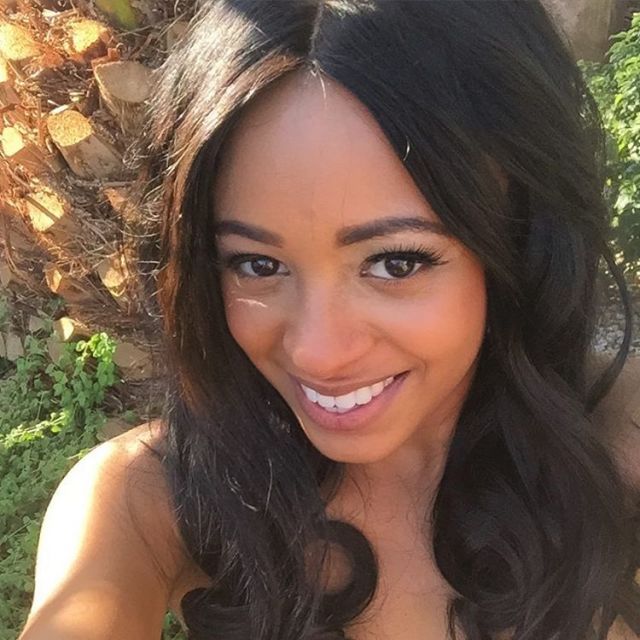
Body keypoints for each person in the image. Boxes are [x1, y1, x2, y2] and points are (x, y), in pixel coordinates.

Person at [18, 1, 640, 639]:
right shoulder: (154, 499)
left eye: (395, 263)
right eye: (258, 265)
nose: (318, 353)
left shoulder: (617, 441)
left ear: (521, 237)